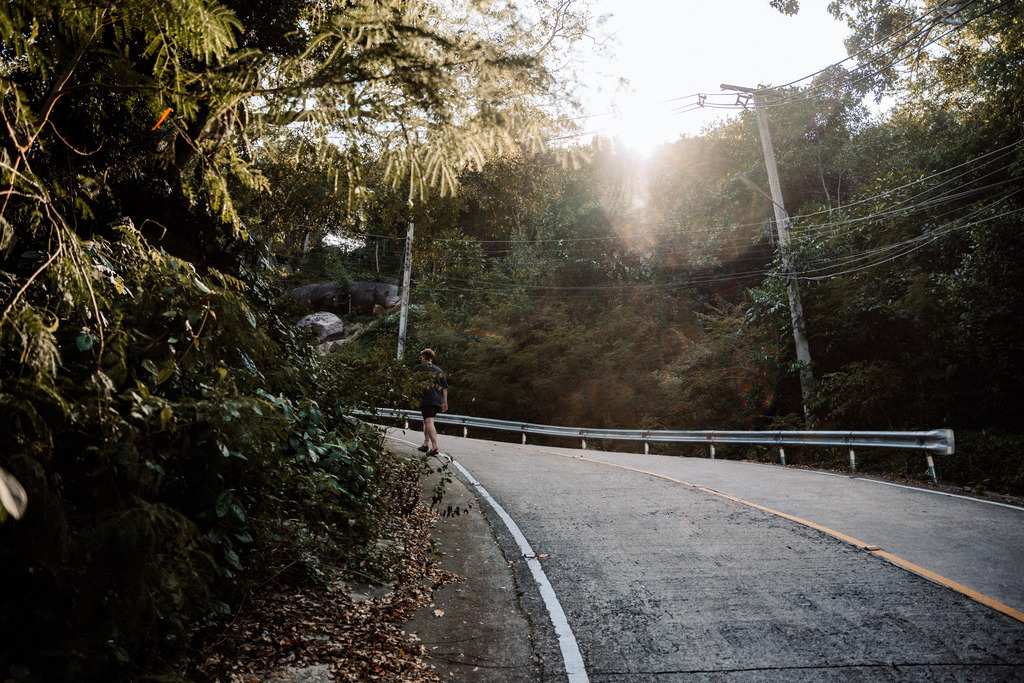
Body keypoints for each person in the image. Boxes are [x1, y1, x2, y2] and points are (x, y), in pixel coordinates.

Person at [413, 348, 448, 455]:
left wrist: (405, 393)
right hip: (438, 399)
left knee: (428, 421)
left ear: (423, 357)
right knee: (426, 421)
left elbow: (412, 382)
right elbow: (445, 388)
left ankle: (434, 445)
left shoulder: (419, 368)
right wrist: (445, 402)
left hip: (426, 398)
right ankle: (426, 443)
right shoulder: (439, 370)